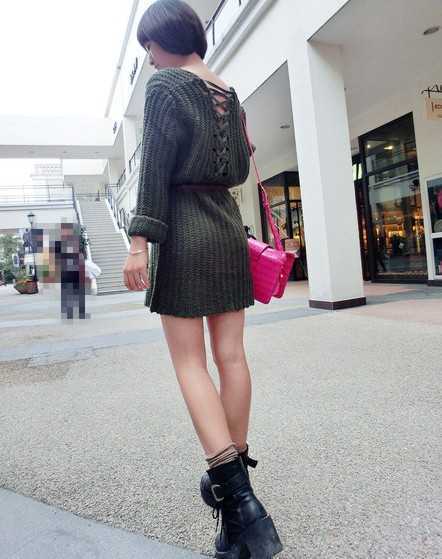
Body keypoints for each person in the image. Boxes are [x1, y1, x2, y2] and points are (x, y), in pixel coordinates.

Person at [122, 1, 283, 557]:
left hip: (184, 232)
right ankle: (234, 493)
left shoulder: (166, 87)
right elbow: (239, 168)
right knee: (232, 357)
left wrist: (139, 242)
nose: (149, 58)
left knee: (190, 363)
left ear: (165, 38)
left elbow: (153, 169)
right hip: (226, 229)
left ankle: (241, 505)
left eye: (149, 46)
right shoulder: (228, 94)